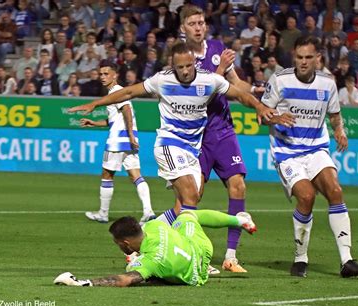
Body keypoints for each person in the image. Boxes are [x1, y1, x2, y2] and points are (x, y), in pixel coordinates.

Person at [68, 42, 274, 236]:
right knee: (191, 196)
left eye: (188, 65)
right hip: (169, 143)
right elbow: (129, 91)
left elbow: (240, 94)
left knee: (183, 206)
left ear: (194, 62)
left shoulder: (209, 80)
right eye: (179, 66)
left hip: (193, 149)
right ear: (172, 65)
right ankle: (191, 251)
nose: (184, 71)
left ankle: (147, 233)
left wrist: (259, 106)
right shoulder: (162, 80)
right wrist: (96, 103)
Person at [260, 35, 358, 278]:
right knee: (307, 196)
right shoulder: (279, 80)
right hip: (287, 153)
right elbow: (262, 113)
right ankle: (300, 258)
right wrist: (275, 117)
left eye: (309, 57)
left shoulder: (327, 84)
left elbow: (334, 115)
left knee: (335, 191)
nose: (304, 62)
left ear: (318, 58)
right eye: (299, 57)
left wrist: (339, 130)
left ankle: (347, 260)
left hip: (316, 149)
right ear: (294, 57)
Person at [175, 4, 266, 273]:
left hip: (223, 130)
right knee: (191, 197)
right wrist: (220, 70)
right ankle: (175, 247)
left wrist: (262, 92)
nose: (198, 27)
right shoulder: (181, 58)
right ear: (183, 28)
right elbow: (198, 94)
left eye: (201, 22)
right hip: (195, 135)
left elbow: (235, 83)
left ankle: (230, 256)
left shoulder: (216, 47)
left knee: (238, 186)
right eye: (192, 23)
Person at [54, 209, 257, 287]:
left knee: (136, 270)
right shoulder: (154, 225)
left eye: (118, 245)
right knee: (188, 215)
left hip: (196, 275)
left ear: (125, 243)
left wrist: (85, 283)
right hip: (201, 248)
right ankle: (239, 220)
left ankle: (165, 270)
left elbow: (124, 280)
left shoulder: (150, 262)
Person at [76, 61, 155, 224]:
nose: (103, 77)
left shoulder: (117, 91)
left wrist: (131, 134)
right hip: (127, 139)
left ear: (115, 75)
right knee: (136, 175)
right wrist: (94, 123)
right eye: (101, 74)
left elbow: (126, 110)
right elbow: (114, 119)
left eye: (106, 73)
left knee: (107, 175)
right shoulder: (115, 93)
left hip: (117, 140)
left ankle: (103, 213)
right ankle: (148, 211)